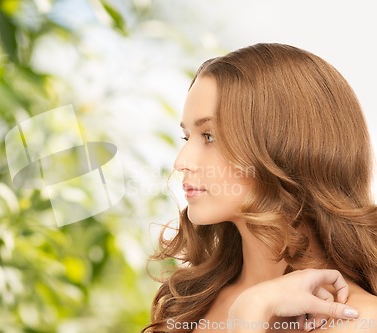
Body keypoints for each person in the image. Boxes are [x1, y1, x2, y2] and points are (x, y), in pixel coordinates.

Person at [142, 43, 377, 333]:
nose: (182, 162)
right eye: (186, 137)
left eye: (210, 136)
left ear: (286, 146)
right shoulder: (193, 301)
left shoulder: (355, 320)